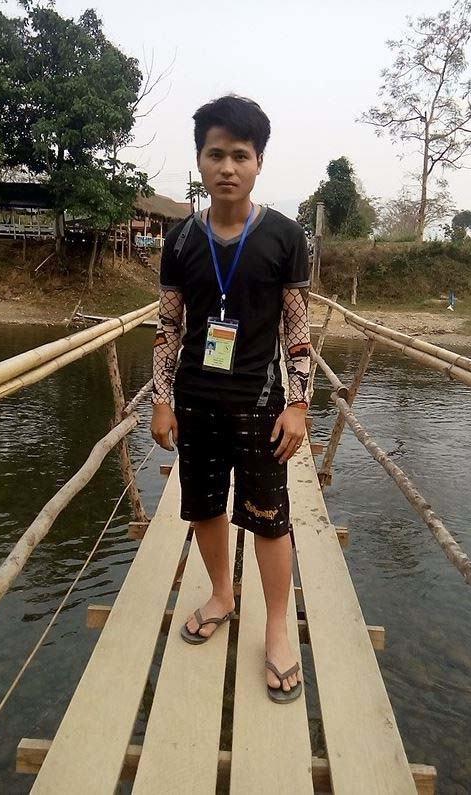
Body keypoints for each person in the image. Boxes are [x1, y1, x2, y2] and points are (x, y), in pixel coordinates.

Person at [151, 95, 311, 704]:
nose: (227, 167)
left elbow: (297, 330)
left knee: (270, 519)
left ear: (258, 161)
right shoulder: (179, 240)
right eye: (215, 154)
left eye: (240, 155)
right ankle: (222, 594)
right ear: (199, 159)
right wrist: (161, 399)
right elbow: (169, 326)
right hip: (194, 400)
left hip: (262, 404)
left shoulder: (284, 236)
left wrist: (298, 404)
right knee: (203, 508)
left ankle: (278, 628)